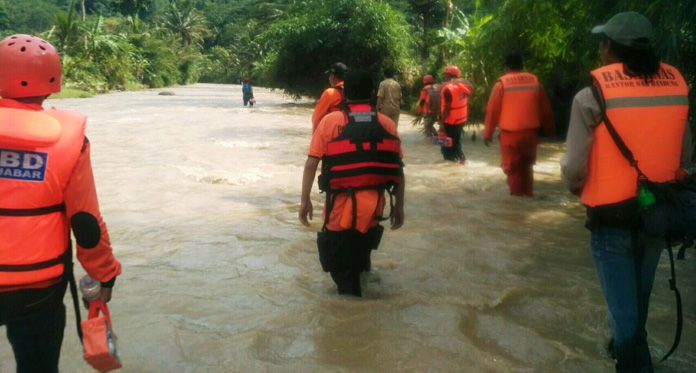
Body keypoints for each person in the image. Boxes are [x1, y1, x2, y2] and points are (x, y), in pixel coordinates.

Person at [560, 13, 691, 373]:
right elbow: (686, 157)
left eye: (603, 42)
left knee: (626, 318)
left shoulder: (591, 96)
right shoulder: (676, 87)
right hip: (657, 216)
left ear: (611, 49)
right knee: (635, 304)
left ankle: (631, 361)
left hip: (612, 222)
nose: (600, 48)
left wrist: (572, 184)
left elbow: (574, 169)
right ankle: (623, 352)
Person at [0, 34, 122, 372]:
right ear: (53, 81)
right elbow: (85, 222)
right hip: (37, 290)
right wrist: (104, 276)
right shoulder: (71, 140)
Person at [299, 70, 405, 297]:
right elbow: (398, 170)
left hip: (341, 208)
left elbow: (310, 164)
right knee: (360, 258)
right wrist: (400, 208)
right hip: (374, 209)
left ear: (344, 93)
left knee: (342, 276)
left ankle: (351, 321)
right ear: (371, 93)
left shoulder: (330, 122)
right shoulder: (388, 124)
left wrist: (304, 200)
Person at [483, 52, 555, 197]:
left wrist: (487, 133)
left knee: (513, 171)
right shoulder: (535, 82)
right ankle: (528, 198)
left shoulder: (501, 84)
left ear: (505, 67)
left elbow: (492, 111)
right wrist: (550, 130)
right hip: (531, 136)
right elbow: (545, 109)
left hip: (510, 137)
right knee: (527, 169)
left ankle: (516, 211)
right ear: (522, 66)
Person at [439, 65, 471, 163]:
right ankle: (461, 160)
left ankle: (450, 164)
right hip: (460, 119)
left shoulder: (448, 89)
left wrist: (441, 123)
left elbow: (447, 107)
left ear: (451, 76)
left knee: (446, 147)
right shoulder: (463, 87)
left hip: (450, 121)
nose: (445, 77)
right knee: (456, 142)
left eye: (447, 75)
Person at [311, 62, 347, 133]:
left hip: (333, 135)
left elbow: (316, 119)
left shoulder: (330, 93)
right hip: (350, 135)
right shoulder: (353, 91)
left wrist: (315, 139)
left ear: (332, 76)